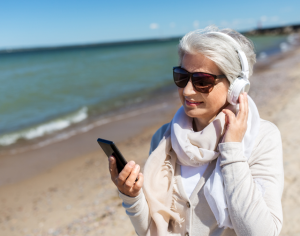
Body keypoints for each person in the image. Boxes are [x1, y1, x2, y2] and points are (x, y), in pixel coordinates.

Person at [108, 26, 284, 236]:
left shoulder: (262, 138)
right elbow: (152, 229)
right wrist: (132, 196)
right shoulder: (164, 138)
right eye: (182, 76)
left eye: (202, 81)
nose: (188, 91)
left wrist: (232, 151)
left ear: (236, 87)